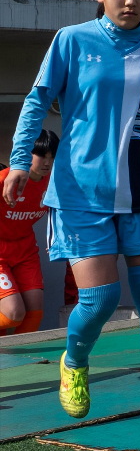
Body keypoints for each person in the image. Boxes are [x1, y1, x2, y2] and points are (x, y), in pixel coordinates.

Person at [5, 0, 140, 426]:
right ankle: (75, 361)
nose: (130, 0)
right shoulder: (70, 40)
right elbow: (37, 100)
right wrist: (21, 159)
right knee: (101, 300)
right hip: (79, 193)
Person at [0, 130, 59, 335]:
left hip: (25, 250)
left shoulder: (53, 181)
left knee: (34, 313)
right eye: (42, 155)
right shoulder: (5, 180)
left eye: (52, 156)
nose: (47, 162)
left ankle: (15, 361)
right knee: (13, 313)